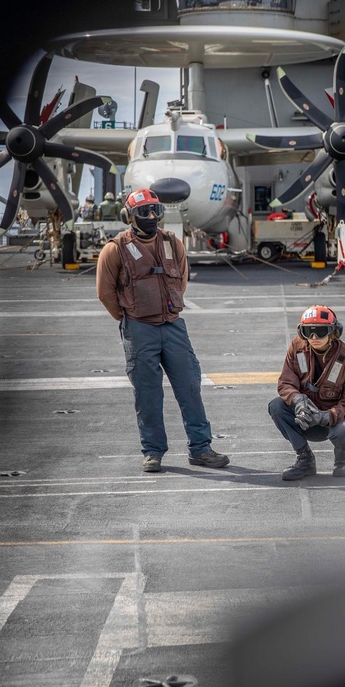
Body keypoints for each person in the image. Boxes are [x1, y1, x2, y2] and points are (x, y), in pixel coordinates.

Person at [96, 188, 230, 473]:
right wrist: (129, 316)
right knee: (147, 394)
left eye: (156, 210)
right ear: (130, 216)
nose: (152, 216)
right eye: (144, 212)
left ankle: (201, 449)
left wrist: (167, 308)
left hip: (172, 326)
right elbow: (105, 292)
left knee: (190, 388)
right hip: (139, 328)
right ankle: (153, 452)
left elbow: (181, 278)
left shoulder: (172, 242)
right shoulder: (115, 249)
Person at [268, 305, 345, 480]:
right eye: (307, 332)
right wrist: (298, 401)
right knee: (277, 406)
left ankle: (342, 459)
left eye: (320, 331)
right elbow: (286, 383)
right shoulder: (297, 347)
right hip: (305, 417)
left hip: (334, 421)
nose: (313, 337)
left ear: (333, 332)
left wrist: (325, 416)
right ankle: (305, 459)